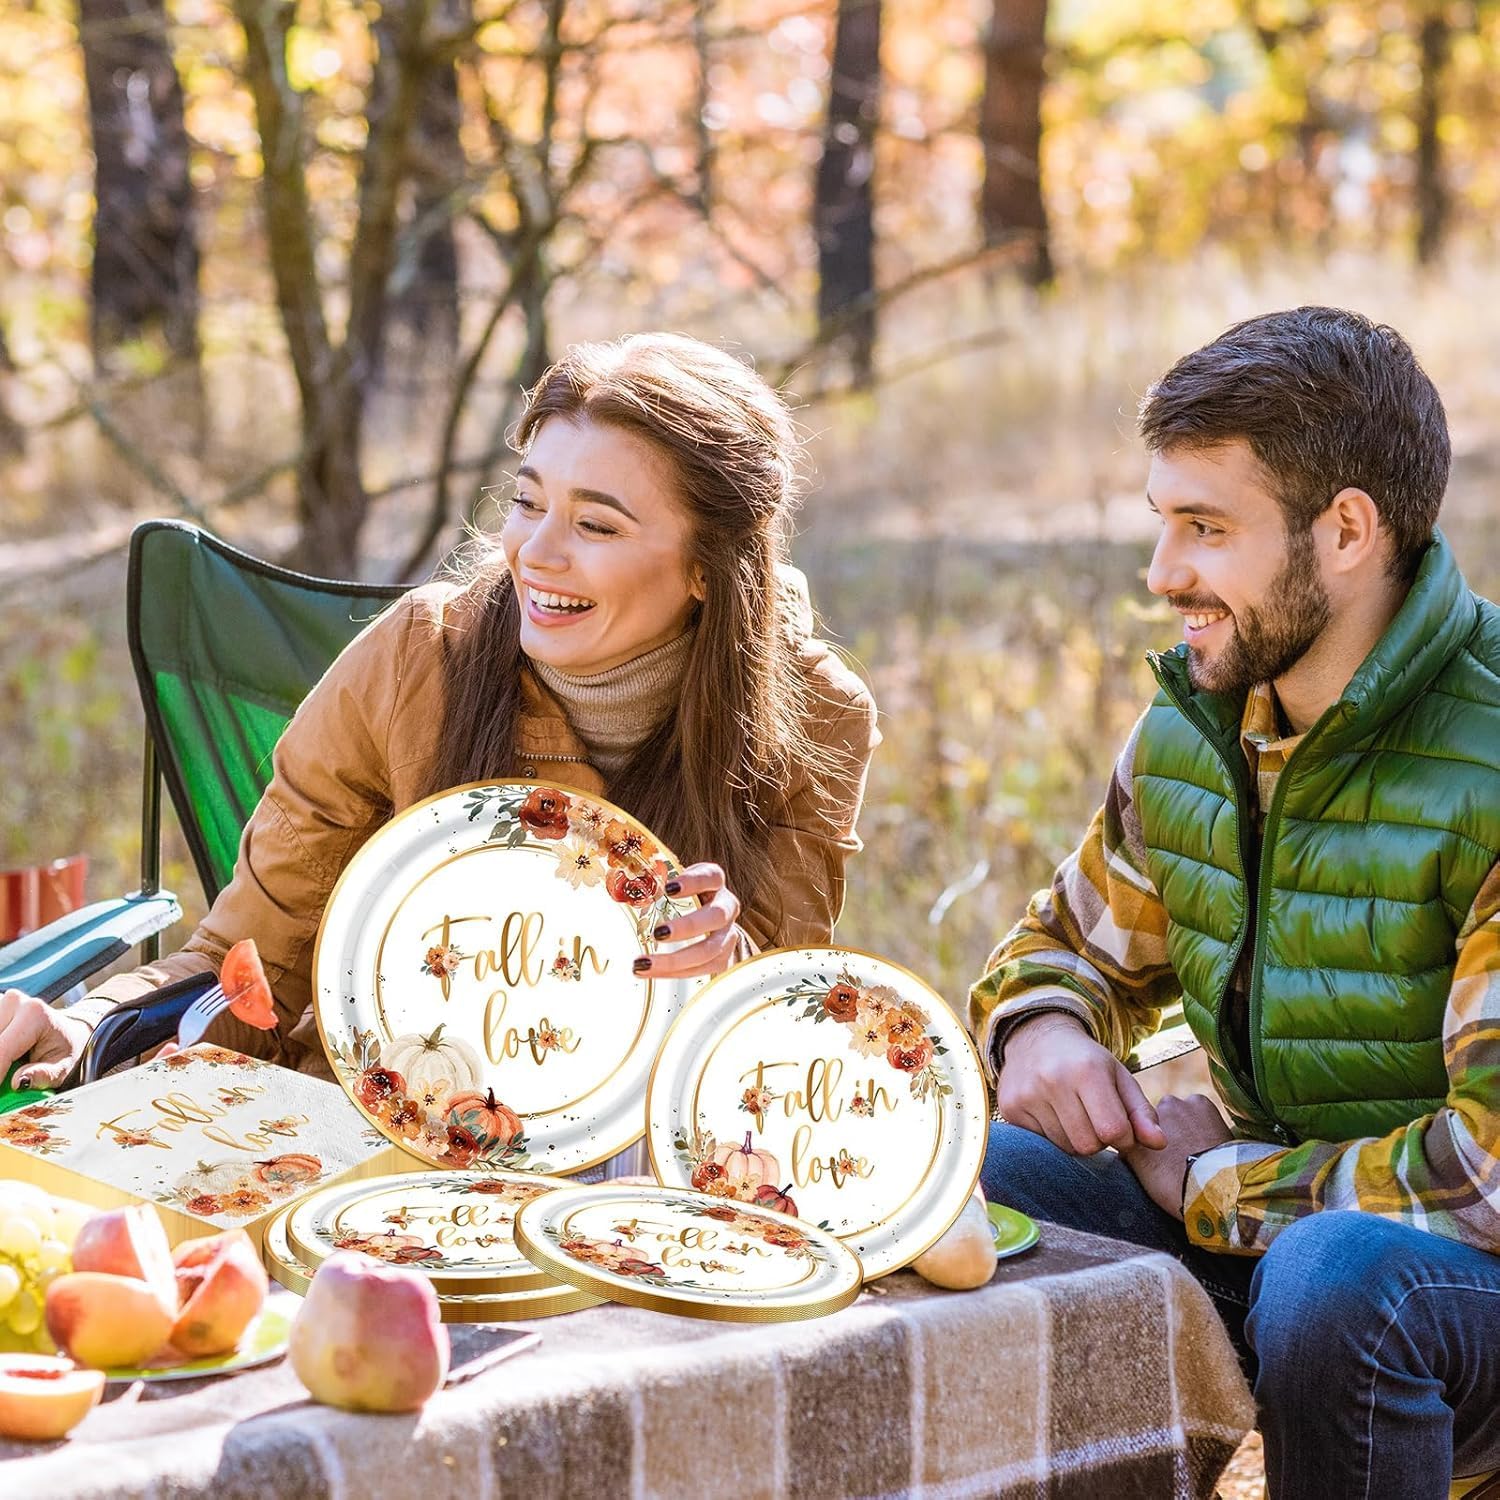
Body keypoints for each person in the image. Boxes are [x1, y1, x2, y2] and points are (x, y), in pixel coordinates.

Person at [0, 332, 880, 1101]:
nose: (535, 553)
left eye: (598, 527)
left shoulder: (815, 718)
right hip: (370, 1145)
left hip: (633, 1178)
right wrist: (90, 1025)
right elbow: (245, 965)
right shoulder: (417, 657)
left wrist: (724, 971)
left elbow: (773, 1049)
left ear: (707, 568)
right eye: (529, 502)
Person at [968, 307, 1500, 1498]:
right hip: (1289, 1229)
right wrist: (1043, 1027)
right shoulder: (1203, 731)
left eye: (1205, 530)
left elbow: (1490, 1173)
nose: (1164, 576)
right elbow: (1060, 946)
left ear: (1347, 530)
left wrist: (1217, 1187)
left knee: (1338, 1282)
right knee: (994, 1181)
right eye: (1163, 524)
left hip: (1444, 1286)